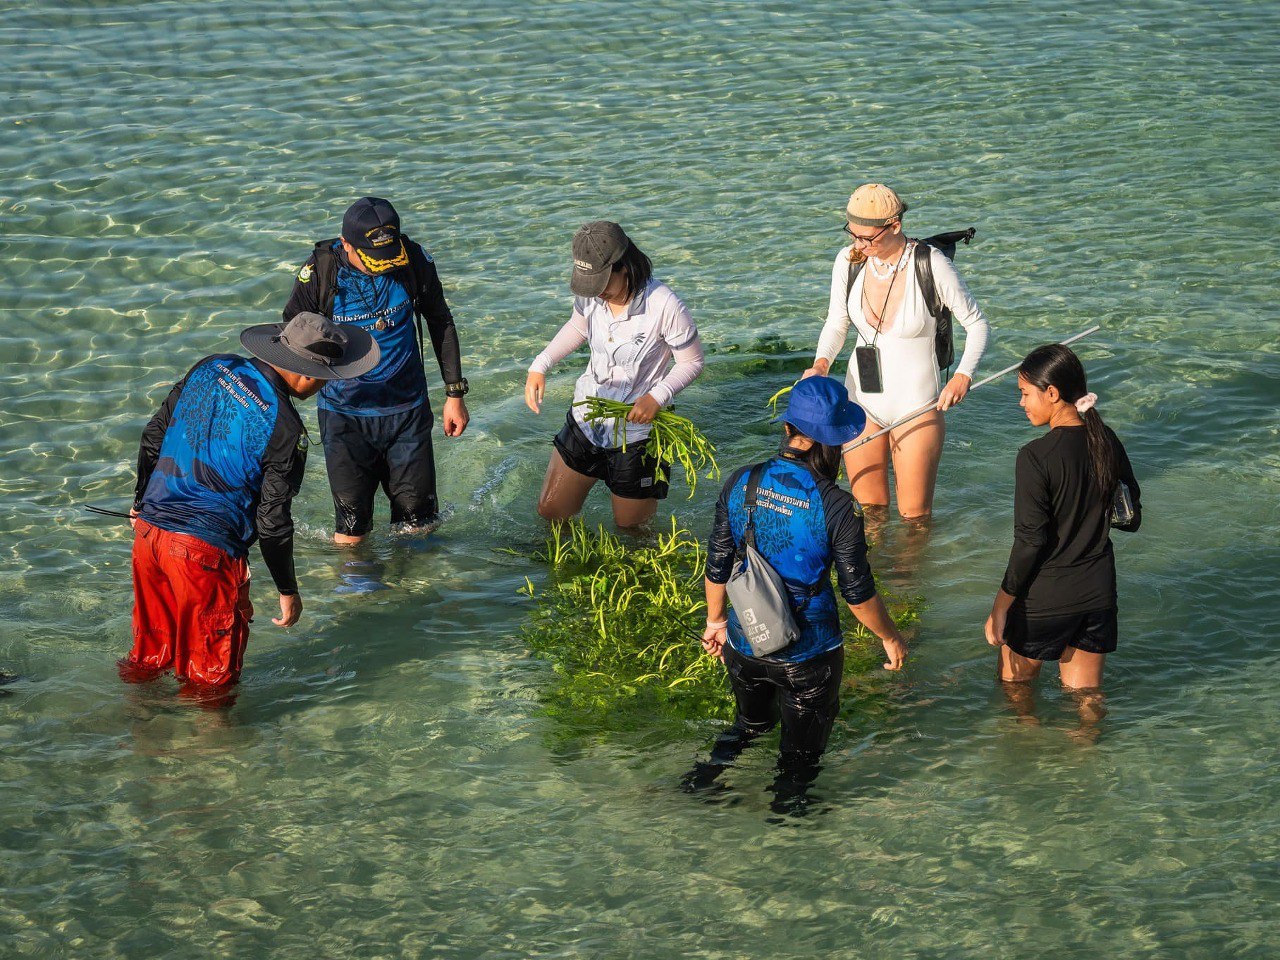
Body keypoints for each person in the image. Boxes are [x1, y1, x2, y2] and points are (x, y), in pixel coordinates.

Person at [120, 312, 379, 699]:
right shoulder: (288, 431)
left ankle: (137, 735)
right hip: (203, 556)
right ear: (308, 373)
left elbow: (153, 436)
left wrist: (140, 501)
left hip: (149, 538)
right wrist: (288, 591)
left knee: (148, 660)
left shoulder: (212, 366)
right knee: (211, 685)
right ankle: (217, 757)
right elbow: (273, 523)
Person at [693, 376, 909, 809]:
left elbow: (717, 563)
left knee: (749, 725)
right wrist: (889, 636)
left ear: (790, 430)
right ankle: (787, 835)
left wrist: (715, 621)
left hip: (745, 640)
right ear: (820, 444)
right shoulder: (838, 506)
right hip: (809, 656)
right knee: (799, 760)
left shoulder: (743, 481)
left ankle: (703, 781)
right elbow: (857, 593)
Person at [282, 196, 470, 545]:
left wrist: (454, 394)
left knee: (419, 527)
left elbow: (440, 320)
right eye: (373, 259)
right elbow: (291, 336)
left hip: (408, 412)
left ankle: (417, 594)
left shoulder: (412, 257)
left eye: (388, 257)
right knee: (352, 532)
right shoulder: (321, 271)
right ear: (346, 245)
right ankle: (358, 598)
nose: (383, 266)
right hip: (344, 416)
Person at [803, 183, 990, 520]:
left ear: (894, 226)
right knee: (868, 515)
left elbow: (977, 324)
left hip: (916, 405)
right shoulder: (848, 260)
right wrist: (820, 364)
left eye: (867, 238)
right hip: (861, 402)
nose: (858, 244)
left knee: (915, 519)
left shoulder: (931, 264)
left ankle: (910, 575)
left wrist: (963, 376)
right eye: (853, 234)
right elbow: (836, 322)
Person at [984, 344, 1142, 716]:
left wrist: (1000, 606)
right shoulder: (1107, 440)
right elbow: (1131, 519)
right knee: (1086, 703)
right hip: (1098, 595)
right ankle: (1085, 765)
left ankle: (1037, 770)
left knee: (1017, 698)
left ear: (1052, 393)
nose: (1021, 403)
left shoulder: (1035, 456)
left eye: (1025, 393)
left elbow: (1030, 542)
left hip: (1044, 601)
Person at [524, 221, 705, 528]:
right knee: (551, 513)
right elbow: (578, 326)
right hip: (587, 416)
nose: (599, 293)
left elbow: (692, 362)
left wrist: (657, 397)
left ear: (626, 266)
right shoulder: (591, 295)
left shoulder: (665, 305)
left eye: (603, 283)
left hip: (637, 433)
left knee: (631, 533)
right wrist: (540, 364)